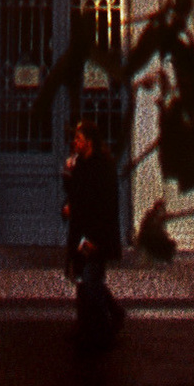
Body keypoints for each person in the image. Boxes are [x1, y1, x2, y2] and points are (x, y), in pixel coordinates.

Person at [62, 116, 124, 349]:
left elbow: (105, 205)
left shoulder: (103, 166)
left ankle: (103, 329)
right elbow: (75, 193)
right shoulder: (80, 164)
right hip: (80, 231)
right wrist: (68, 174)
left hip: (96, 234)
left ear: (89, 141)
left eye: (78, 139)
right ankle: (92, 323)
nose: (75, 143)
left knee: (91, 280)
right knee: (83, 280)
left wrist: (96, 238)